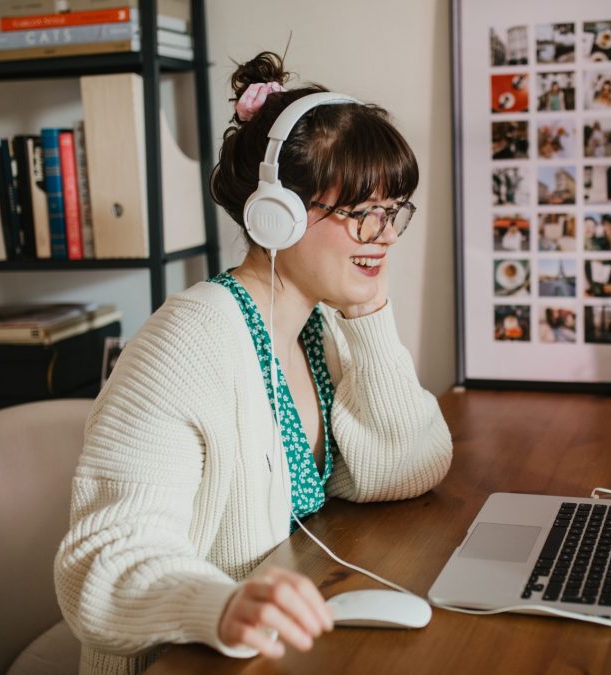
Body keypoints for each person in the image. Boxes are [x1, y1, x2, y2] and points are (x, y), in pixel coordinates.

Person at [54, 52, 453, 674]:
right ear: (277, 215)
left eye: (394, 210)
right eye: (360, 214)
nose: (387, 235)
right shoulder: (184, 346)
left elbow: (410, 468)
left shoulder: (322, 328)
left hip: (280, 646)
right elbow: (100, 564)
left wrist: (370, 310)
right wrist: (218, 603)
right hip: (189, 660)